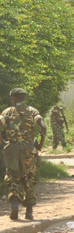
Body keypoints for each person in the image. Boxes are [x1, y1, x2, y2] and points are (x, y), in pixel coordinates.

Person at [0, 88, 47, 220]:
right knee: (30, 178)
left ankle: (15, 203)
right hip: (29, 150)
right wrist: (40, 145)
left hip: (14, 150)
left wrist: (3, 142)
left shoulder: (8, 112)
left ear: (14, 98)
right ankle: (29, 211)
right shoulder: (33, 111)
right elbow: (43, 127)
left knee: (13, 176)